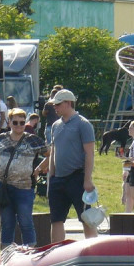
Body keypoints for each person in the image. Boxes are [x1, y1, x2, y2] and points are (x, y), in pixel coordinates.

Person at [0, 108, 48, 247]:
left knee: (25, 221)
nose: (18, 125)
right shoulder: (2, 138)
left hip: (25, 186)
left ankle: (30, 251)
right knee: (7, 222)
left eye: (21, 122)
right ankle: (6, 252)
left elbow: (50, 153)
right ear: (9, 122)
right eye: (15, 122)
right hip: (4, 186)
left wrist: (38, 169)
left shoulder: (32, 140)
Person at [42, 88, 96, 242]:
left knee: (85, 217)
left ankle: (92, 252)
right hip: (57, 178)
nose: (55, 107)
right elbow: (53, 151)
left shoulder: (83, 124)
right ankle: (57, 253)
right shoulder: (55, 125)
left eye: (58, 104)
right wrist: (50, 177)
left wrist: (87, 179)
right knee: (56, 219)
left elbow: (89, 153)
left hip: (77, 177)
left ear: (68, 103)